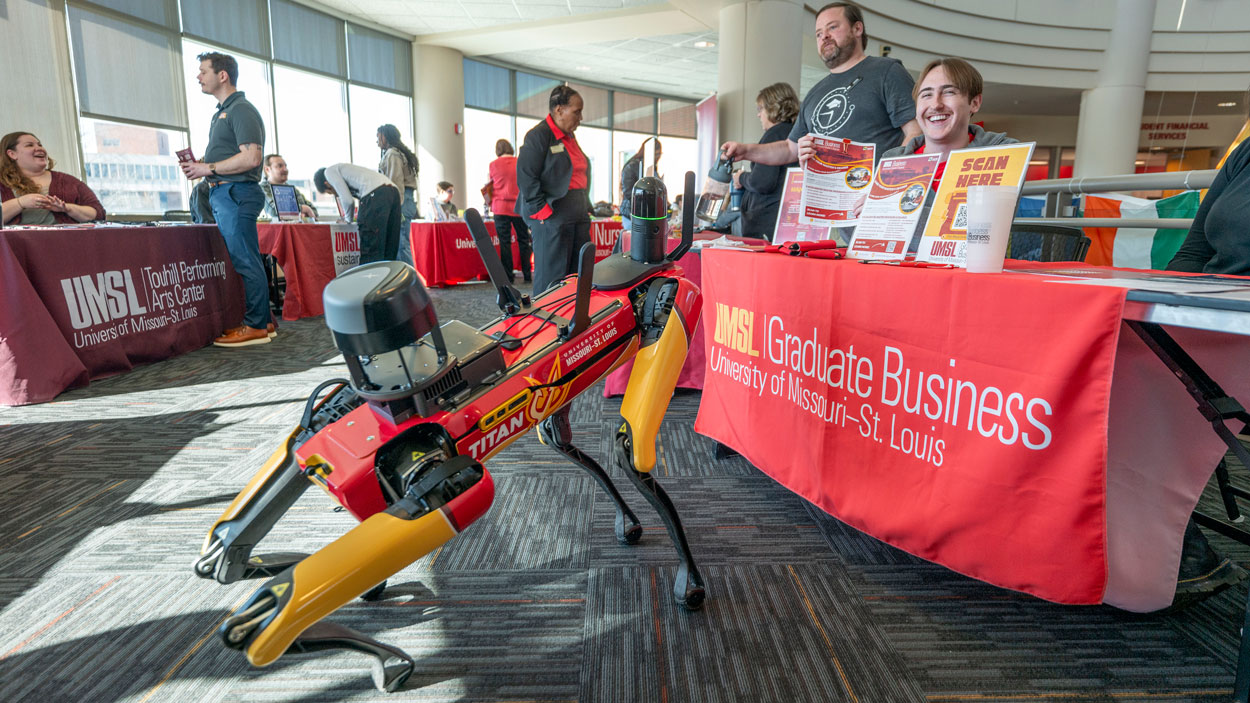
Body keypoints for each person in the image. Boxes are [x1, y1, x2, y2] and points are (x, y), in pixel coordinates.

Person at [1163, 131, 1250, 608]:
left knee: (1135, 397)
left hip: (1240, 333)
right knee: (1105, 370)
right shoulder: (1246, 151)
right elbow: (1194, 249)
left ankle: (1174, 556)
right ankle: (1162, 550)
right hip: (1207, 317)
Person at [720, 2, 920, 172]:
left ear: (857, 29)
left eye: (832, 27)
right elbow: (790, 148)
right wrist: (746, 151)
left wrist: (884, 181)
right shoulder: (816, 92)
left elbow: (916, 132)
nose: (824, 36)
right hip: (824, 204)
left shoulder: (886, 71)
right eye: (818, 33)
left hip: (870, 202)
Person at [878, 57, 1017, 252]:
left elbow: (975, 235)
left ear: (974, 103)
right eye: (926, 95)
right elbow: (863, 236)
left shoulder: (1003, 153)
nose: (936, 104)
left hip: (970, 279)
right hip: (898, 277)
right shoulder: (892, 161)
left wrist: (890, 213)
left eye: (949, 92)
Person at [180, 51, 272, 348]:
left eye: (203, 71)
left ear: (223, 75)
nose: (198, 77)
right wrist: (203, 166)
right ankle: (263, 321)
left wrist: (208, 167)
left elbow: (252, 157)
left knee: (246, 260)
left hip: (236, 192)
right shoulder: (222, 112)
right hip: (225, 192)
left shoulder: (240, 109)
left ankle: (256, 325)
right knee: (247, 259)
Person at [517, 85, 592, 293]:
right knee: (552, 277)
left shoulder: (569, 137)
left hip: (576, 211)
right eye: (576, 111)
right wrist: (542, 212)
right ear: (559, 110)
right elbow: (525, 176)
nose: (580, 117)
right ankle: (546, 321)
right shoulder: (539, 136)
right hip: (552, 213)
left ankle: (570, 320)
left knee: (576, 274)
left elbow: (577, 172)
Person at [733, 84, 800, 240]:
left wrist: (741, 177)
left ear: (773, 107)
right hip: (784, 220)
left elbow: (762, 182)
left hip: (767, 223)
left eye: (760, 109)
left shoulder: (775, 134)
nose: (758, 115)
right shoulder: (793, 134)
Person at [1, 131, 105, 226]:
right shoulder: (2, 183)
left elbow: (98, 214)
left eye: (40, 144)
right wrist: (20, 203)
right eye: (29, 145)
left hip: (62, 242)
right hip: (14, 245)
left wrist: (66, 208)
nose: (39, 148)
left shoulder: (68, 182)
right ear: (12, 154)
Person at [314, 163, 401, 264]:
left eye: (331, 192)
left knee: (370, 253)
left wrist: (347, 220)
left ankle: (371, 279)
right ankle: (389, 279)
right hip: (393, 192)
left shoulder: (329, 172)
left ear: (327, 184)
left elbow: (348, 200)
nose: (335, 194)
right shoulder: (350, 174)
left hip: (376, 194)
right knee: (389, 250)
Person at [484, 139, 531, 283]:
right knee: (523, 240)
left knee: (504, 242)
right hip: (519, 207)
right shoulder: (520, 162)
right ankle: (527, 274)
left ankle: (508, 276)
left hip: (500, 207)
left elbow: (488, 186)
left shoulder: (493, 165)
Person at [377, 124, 419, 265]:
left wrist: (395, 209)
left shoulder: (393, 154)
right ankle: (407, 282)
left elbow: (395, 183)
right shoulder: (398, 152)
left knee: (401, 244)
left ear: (386, 136)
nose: (377, 139)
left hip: (401, 200)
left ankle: (411, 283)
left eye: (379, 135)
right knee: (401, 243)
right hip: (406, 199)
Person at [619, 137, 661, 229]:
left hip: (645, 213)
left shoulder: (650, 169)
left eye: (659, 154)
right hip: (632, 213)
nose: (658, 157)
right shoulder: (632, 166)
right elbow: (628, 192)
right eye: (657, 154)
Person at [259, 154, 316, 219]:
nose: (285, 169)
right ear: (267, 169)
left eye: (285, 166)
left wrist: (304, 212)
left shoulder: (292, 189)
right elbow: (275, 211)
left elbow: (314, 211)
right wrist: (304, 209)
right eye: (280, 166)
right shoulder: (262, 189)